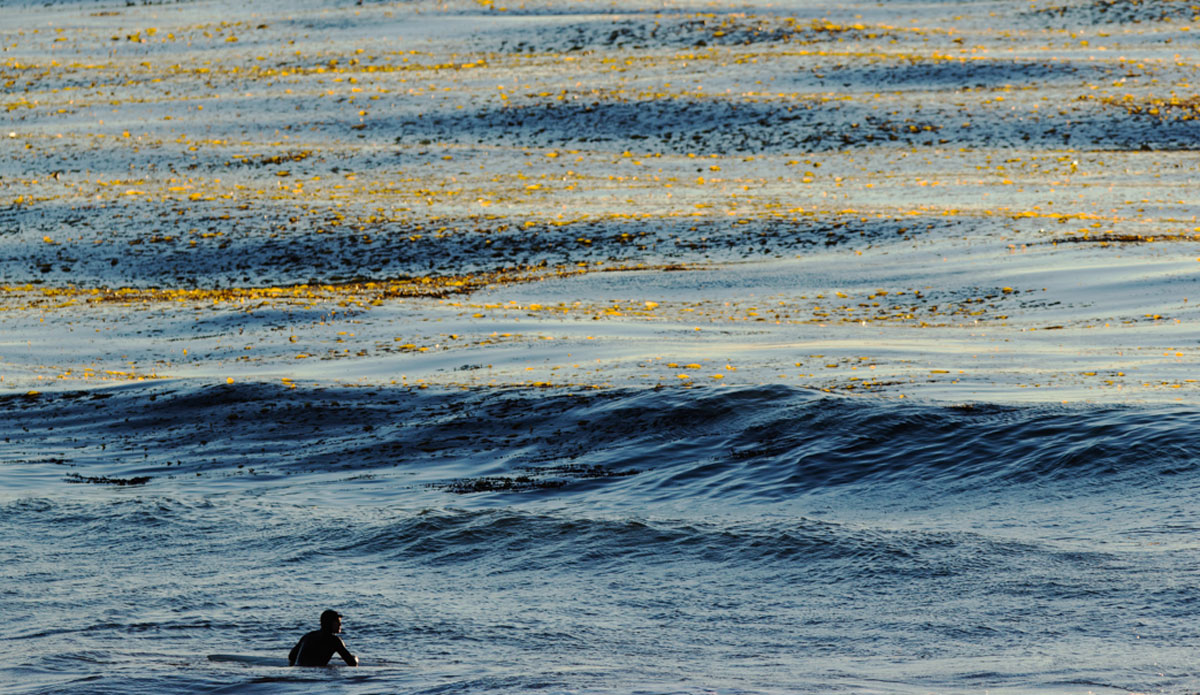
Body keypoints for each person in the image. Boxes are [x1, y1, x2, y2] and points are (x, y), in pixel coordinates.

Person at [288, 609, 359, 667]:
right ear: (330, 623)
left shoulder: (308, 636)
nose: (340, 624)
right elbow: (352, 663)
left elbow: (291, 657)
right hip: (313, 673)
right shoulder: (334, 640)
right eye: (337, 621)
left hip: (300, 671)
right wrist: (355, 659)